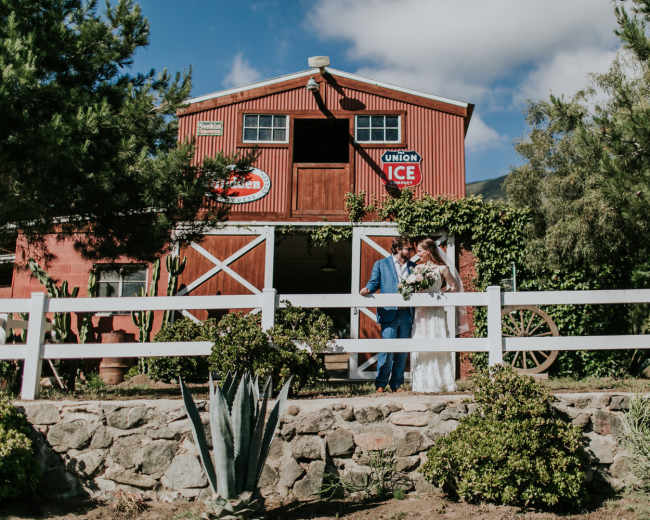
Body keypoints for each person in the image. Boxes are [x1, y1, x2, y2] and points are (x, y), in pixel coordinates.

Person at [360, 236, 415, 393]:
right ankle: (381, 384)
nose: (410, 251)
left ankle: (396, 384)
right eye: (408, 249)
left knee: (403, 351)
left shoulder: (414, 266)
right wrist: (367, 289)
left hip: (406, 314)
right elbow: (374, 282)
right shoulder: (381, 264)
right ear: (398, 249)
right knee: (387, 350)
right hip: (389, 312)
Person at [410, 238, 459, 393]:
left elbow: (454, 287)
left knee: (437, 341)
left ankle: (441, 382)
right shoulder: (417, 269)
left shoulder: (442, 269)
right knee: (422, 342)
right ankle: (422, 383)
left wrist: (440, 294)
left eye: (419, 251)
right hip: (421, 311)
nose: (417, 255)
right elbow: (413, 290)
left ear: (428, 251)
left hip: (436, 311)